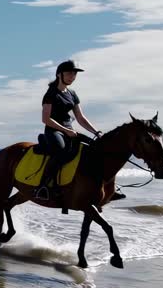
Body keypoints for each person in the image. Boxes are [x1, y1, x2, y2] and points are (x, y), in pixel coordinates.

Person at [36, 60, 125, 200]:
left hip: (70, 131)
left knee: (96, 150)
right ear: (59, 74)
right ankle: (44, 186)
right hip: (54, 131)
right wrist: (65, 130)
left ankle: (107, 187)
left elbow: (80, 118)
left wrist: (96, 132)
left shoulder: (72, 93)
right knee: (60, 151)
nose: (72, 76)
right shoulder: (51, 93)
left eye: (74, 74)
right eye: (69, 73)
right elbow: (46, 119)